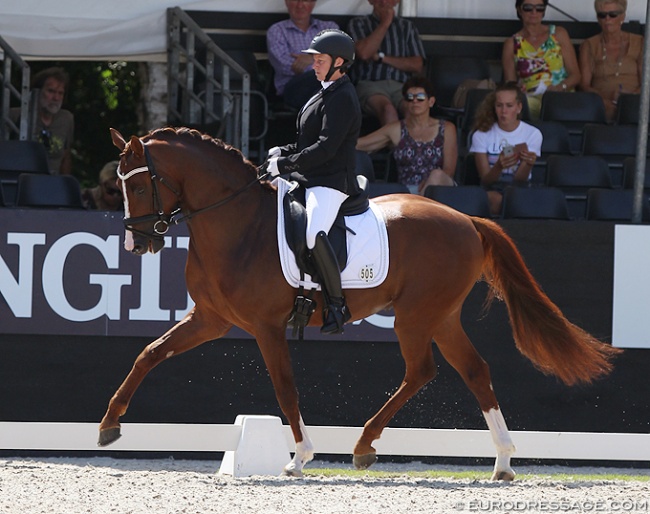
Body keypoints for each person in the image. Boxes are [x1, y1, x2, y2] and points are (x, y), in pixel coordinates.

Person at [265, 29, 361, 335]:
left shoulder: (343, 97)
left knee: (314, 232)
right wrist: (283, 151)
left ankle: (336, 304)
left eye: (320, 60)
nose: (314, 64)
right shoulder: (322, 92)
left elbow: (326, 149)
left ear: (339, 62)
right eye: (315, 59)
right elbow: (308, 141)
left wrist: (285, 164)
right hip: (309, 177)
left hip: (330, 181)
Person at [356, 76, 458, 193]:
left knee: (436, 175)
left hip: (440, 191)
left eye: (420, 97)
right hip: (407, 192)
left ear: (431, 101)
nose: (414, 101)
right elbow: (360, 144)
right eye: (410, 98)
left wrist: (429, 184)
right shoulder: (397, 128)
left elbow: (449, 171)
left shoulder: (446, 128)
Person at [347, 0, 425, 126]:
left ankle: (412, 146)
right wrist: (385, 23)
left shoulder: (407, 26)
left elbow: (417, 65)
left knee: (413, 110)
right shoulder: (358, 23)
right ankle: (397, 146)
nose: (383, 1)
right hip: (369, 85)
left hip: (401, 86)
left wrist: (382, 58)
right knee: (387, 109)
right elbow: (364, 53)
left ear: (397, 1)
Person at [469, 82, 543, 216]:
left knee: (518, 200)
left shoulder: (533, 133)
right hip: (491, 188)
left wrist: (529, 164)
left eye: (509, 106)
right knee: (496, 200)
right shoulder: (481, 134)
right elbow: (485, 180)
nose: (504, 111)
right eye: (499, 105)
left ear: (519, 107)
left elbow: (521, 179)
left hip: (519, 188)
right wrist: (498, 166)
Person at [502, 0, 581, 119]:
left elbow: (575, 75)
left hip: (560, 97)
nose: (534, 12)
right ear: (519, 9)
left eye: (539, 8)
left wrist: (559, 88)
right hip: (529, 99)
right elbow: (510, 84)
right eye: (528, 8)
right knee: (519, 107)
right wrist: (517, 88)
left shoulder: (558, 34)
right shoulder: (511, 43)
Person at [579, 0, 643, 122]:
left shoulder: (639, 42)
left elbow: (646, 83)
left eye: (612, 15)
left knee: (631, 112)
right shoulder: (589, 45)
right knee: (607, 112)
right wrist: (604, 100)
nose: (607, 19)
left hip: (634, 101)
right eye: (602, 15)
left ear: (622, 17)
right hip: (601, 102)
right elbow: (584, 85)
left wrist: (629, 98)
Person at [267, 0, 339, 109]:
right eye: (295, 0)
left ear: (313, 3)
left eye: (306, 0)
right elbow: (284, 65)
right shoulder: (277, 30)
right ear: (287, 2)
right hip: (293, 89)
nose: (300, 5)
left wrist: (311, 59)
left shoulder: (329, 28)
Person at [11, 67, 74, 175]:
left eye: (60, 93)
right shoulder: (16, 115)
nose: (56, 98)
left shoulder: (66, 119)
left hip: (52, 183)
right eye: (51, 91)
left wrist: (64, 186)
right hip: (21, 181)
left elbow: (65, 156)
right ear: (36, 91)